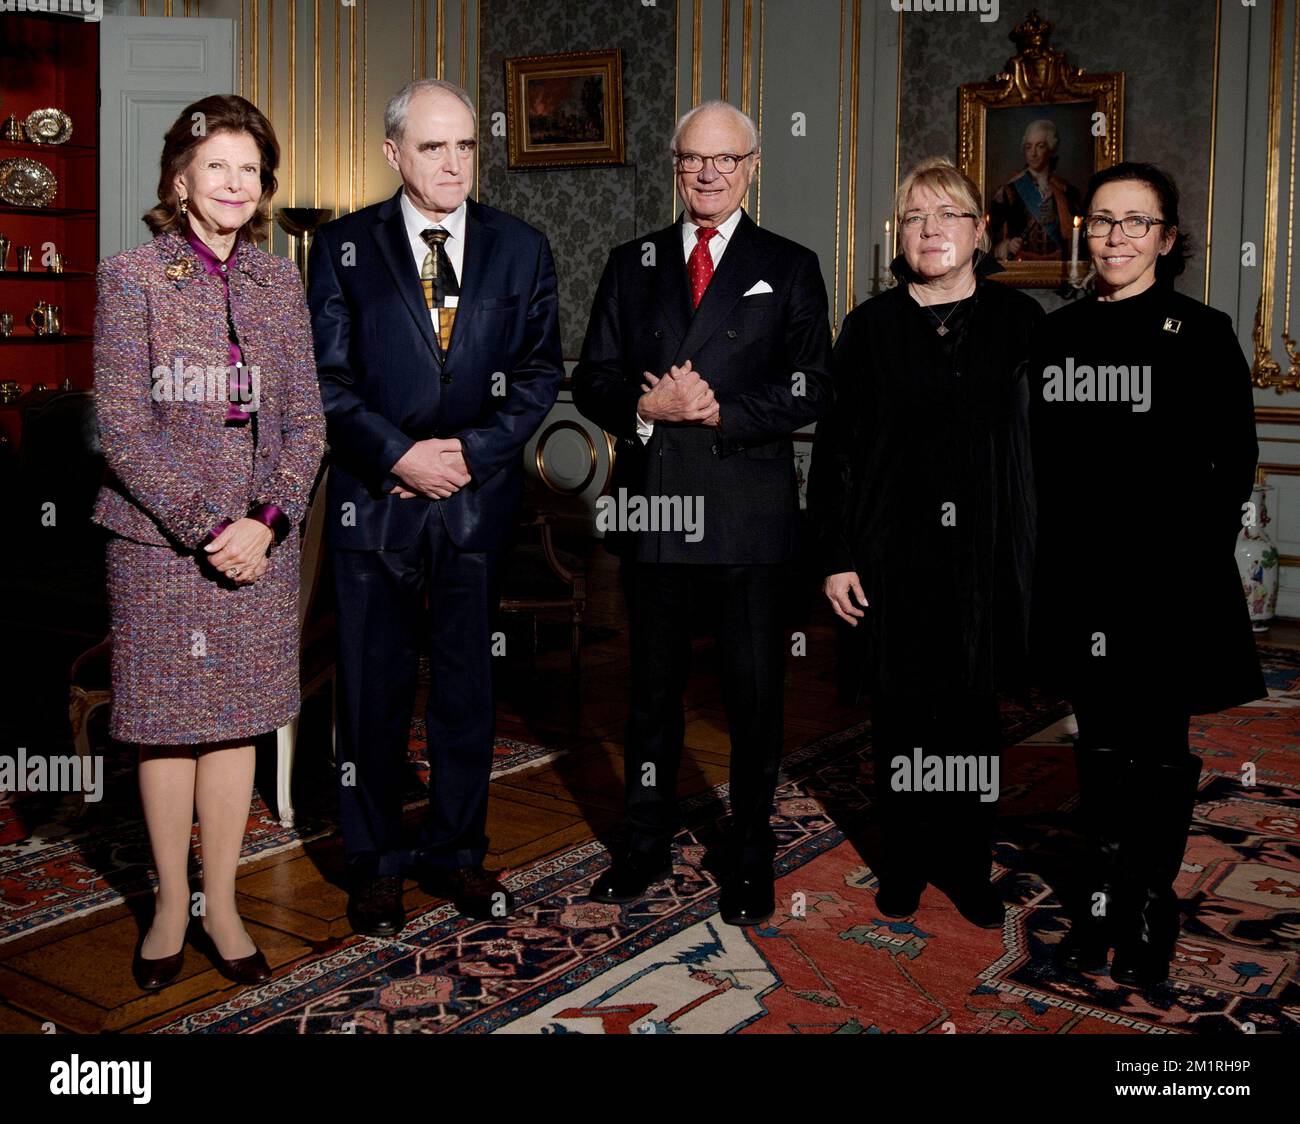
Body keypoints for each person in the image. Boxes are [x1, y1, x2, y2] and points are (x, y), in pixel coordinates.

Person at [308, 79, 563, 935]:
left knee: (465, 694)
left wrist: (469, 455)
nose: (453, 163)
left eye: (464, 147)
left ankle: (457, 854)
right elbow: (326, 381)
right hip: (373, 507)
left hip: (474, 508)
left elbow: (537, 377)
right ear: (393, 154)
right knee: (372, 696)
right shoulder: (343, 248)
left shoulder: (521, 247)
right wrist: (400, 454)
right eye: (432, 147)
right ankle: (374, 863)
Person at [572, 100, 832, 926]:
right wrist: (651, 408)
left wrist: (718, 411)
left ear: (753, 166)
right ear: (675, 166)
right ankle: (643, 846)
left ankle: (751, 859)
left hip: (748, 520)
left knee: (755, 701)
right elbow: (593, 379)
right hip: (656, 513)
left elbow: (812, 384)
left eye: (725, 160)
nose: (709, 173)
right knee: (649, 698)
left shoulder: (788, 264)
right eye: (693, 159)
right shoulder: (632, 260)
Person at [92, 95, 325, 990]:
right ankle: (164, 905)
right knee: (166, 731)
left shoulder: (279, 281)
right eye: (215, 166)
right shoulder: (133, 277)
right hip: (159, 547)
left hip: (259, 548)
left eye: (249, 168)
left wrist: (265, 525)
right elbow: (123, 430)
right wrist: (205, 528)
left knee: (234, 726)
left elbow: (306, 424)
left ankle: (221, 904)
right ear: (180, 178)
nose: (234, 183)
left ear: (263, 184)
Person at [1029, 162, 1264, 987]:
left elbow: (1230, 466)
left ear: (1166, 236)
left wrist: (1174, 562)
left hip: (1169, 586)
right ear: (1083, 232)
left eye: (1135, 221)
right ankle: (1100, 902)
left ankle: (1148, 903)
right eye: (1101, 220)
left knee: (1158, 746)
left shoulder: (1203, 332)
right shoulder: (1055, 337)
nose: (1116, 237)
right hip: (1082, 585)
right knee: (1098, 746)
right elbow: (1039, 469)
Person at [808, 156, 1043, 929]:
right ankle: (904, 862)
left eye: (948, 215)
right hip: (890, 556)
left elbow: (1048, 450)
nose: (931, 229)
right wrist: (836, 556)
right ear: (898, 235)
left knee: (973, 720)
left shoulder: (1021, 324)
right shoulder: (869, 327)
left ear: (980, 232)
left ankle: (968, 866)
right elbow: (836, 452)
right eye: (915, 217)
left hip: (983, 558)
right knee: (903, 718)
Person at [989, 119, 1083, 263]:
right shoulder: (1009, 191)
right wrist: (1007, 245)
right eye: (1028, 147)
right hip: (1020, 271)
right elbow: (991, 235)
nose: (1033, 153)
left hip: (1058, 270)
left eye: (1040, 146)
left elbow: (1078, 236)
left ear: (1050, 149)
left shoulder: (1066, 191)